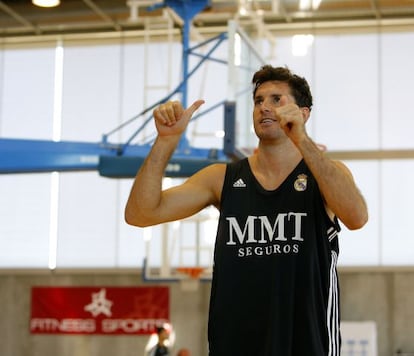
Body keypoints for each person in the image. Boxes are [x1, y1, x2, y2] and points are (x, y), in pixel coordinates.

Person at [125, 65, 368, 355]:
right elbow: (141, 213)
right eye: (258, 101)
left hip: (306, 342)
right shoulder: (221, 178)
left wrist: (301, 139)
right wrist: (165, 142)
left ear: (303, 113)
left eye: (277, 99)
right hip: (235, 343)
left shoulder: (326, 174)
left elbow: (357, 217)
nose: (265, 106)